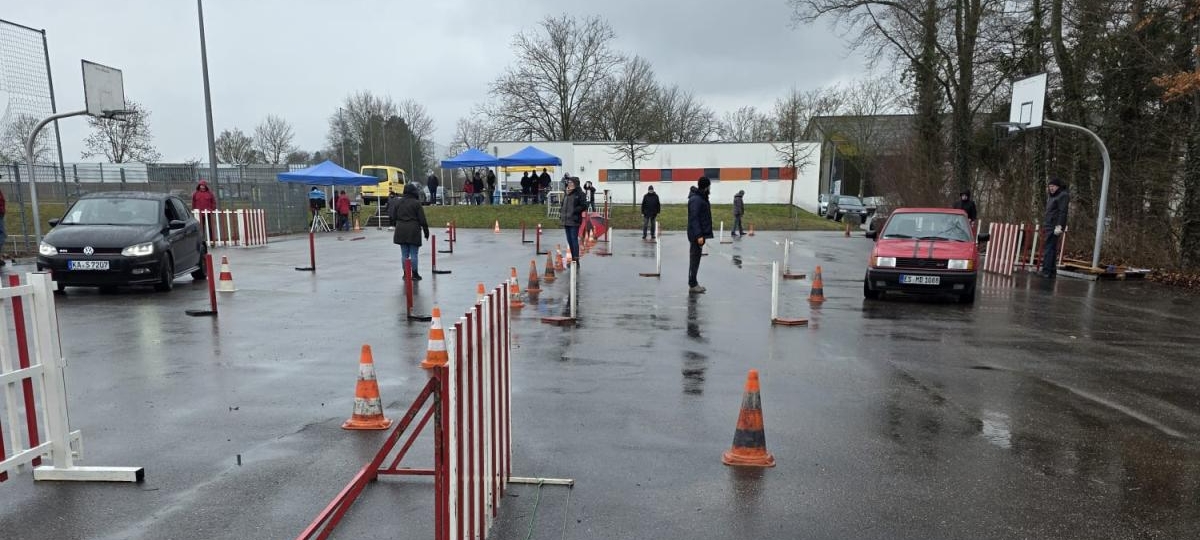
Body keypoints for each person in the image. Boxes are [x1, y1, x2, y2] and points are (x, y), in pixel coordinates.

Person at [388, 183, 430, 281]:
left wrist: (397, 224)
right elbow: (422, 219)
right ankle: (415, 274)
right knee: (414, 254)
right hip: (413, 230)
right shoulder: (416, 203)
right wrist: (426, 232)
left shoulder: (398, 202)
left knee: (404, 254)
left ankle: (405, 274)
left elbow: (393, 216)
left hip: (401, 229)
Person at [687, 177, 714, 294]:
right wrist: (699, 235)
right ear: (706, 187)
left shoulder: (700, 197)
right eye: (709, 186)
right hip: (696, 235)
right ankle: (693, 284)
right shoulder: (696, 200)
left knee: (696, 259)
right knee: (694, 260)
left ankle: (693, 282)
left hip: (699, 234)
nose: (710, 188)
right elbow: (694, 218)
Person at [1040, 178, 1069, 279]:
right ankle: (1051, 272)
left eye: (1053, 186)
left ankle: (1046, 271)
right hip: (1049, 225)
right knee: (1051, 248)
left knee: (1049, 249)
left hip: (1054, 226)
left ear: (1058, 186)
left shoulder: (1063, 195)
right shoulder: (1052, 196)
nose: (1051, 188)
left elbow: (1062, 212)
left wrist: (1059, 225)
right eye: (1050, 186)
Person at [559, 177, 587, 262]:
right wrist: (561, 211)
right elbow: (563, 204)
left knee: (574, 239)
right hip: (566, 220)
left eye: (571, 183)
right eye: (569, 182)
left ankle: (576, 259)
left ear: (576, 184)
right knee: (569, 240)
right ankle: (573, 257)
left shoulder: (580, 194)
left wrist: (574, 210)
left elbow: (584, 205)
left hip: (574, 220)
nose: (569, 184)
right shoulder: (566, 193)